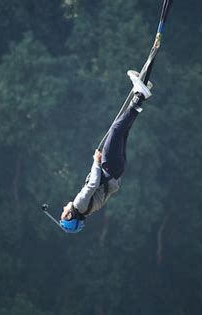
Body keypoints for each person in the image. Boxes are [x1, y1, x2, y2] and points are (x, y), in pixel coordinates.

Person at [60, 70, 153, 233]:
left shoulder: (88, 211)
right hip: (108, 166)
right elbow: (92, 184)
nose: (63, 208)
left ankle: (142, 94)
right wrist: (96, 161)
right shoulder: (79, 204)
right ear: (69, 216)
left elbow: (107, 190)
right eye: (63, 214)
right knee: (116, 129)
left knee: (123, 130)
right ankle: (140, 95)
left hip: (117, 169)